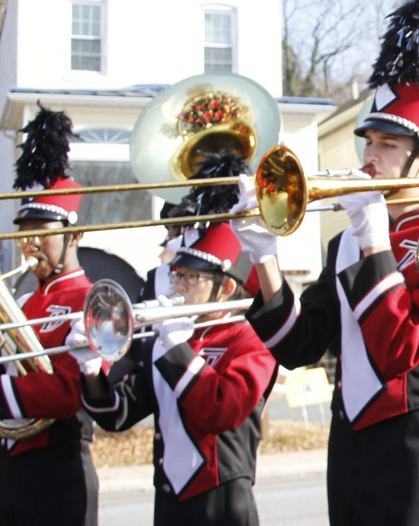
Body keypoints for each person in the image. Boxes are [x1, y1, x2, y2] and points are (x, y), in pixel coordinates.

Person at [234, 0, 419, 526]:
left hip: (418, 447)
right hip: (349, 447)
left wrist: (372, 234)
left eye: (388, 144)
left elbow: (400, 350)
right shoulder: (347, 241)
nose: (369, 158)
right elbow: (298, 346)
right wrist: (263, 256)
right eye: (369, 142)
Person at [78, 221, 277, 526]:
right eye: (177, 275)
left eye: (191, 277)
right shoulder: (169, 340)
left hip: (221, 500)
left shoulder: (250, 340)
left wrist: (175, 347)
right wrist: (92, 371)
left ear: (225, 288)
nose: (178, 286)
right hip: (170, 499)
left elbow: (222, 412)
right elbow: (119, 414)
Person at [0, 105, 98, 526]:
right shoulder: (23, 299)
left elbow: (68, 392)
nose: (30, 246)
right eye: (24, 235)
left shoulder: (90, 299)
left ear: (73, 234)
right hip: (11, 471)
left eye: (41, 235)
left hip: (56, 472)